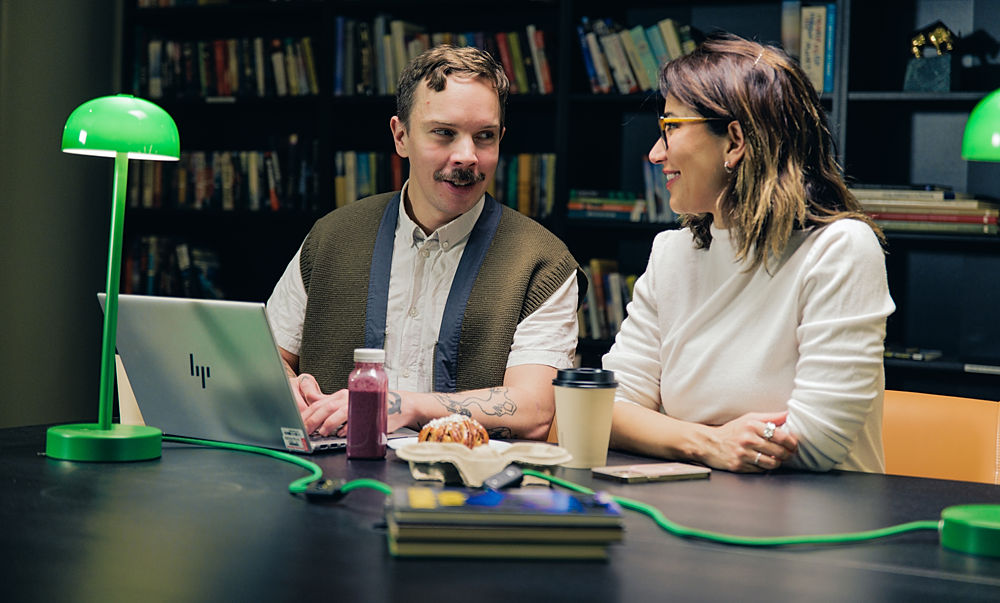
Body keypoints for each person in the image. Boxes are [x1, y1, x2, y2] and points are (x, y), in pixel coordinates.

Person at [603, 33, 895, 474]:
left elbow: (816, 443)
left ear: (735, 141)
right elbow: (605, 409)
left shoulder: (840, 249)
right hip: (695, 507)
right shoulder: (671, 254)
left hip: (821, 525)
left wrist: (665, 432)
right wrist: (708, 443)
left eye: (670, 127)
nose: (655, 152)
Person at [267, 44, 583, 441]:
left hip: (471, 490)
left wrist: (406, 405)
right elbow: (271, 357)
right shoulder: (331, 237)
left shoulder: (542, 262)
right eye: (444, 134)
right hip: (332, 480)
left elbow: (536, 409)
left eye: (484, 137)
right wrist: (286, 387)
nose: (467, 156)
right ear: (401, 136)